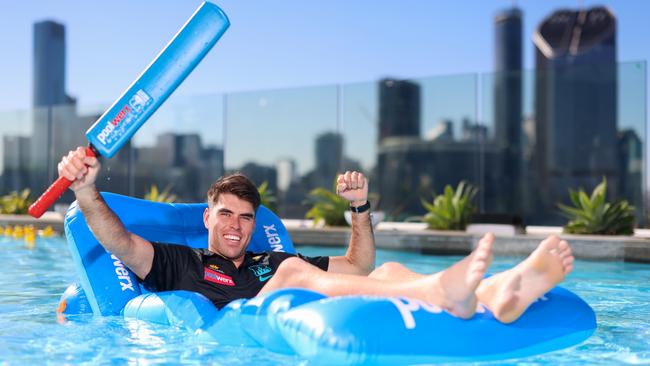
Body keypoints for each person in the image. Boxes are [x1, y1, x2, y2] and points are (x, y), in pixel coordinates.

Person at [58, 147, 574, 323]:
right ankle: (452, 293)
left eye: (246, 217)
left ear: (256, 224)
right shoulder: (179, 262)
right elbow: (119, 243)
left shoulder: (267, 259)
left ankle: (491, 293)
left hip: (291, 294)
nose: (236, 225)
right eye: (226, 214)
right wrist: (84, 190)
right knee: (290, 270)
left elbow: (360, 267)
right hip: (250, 321)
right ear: (207, 219)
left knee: (389, 270)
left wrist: (360, 209)